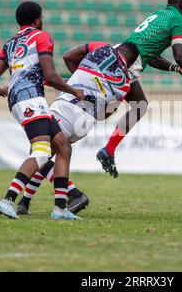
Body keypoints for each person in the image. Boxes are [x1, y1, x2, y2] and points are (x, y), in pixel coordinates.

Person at [96, 0, 182, 178]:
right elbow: (180, 55)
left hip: (122, 56)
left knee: (139, 106)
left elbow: (151, 57)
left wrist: (177, 70)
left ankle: (108, 150)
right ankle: (60, 136)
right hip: (126, 63)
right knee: (97, 112)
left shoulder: (159, 14)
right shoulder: (179, 19)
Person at [0, 1, 85, 220]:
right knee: (41, 152)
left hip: (19, 99)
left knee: (63, 146)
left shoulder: (9, 43)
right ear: (38, 20)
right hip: (29, 99)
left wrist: (2, 90)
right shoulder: (41, 36)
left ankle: (60, 209)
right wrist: (73, 90)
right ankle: (8, 200)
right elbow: (50, 76)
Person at [17, 41, 140, 215]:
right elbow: (104, 115)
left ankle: (75, 194)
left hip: (69, 107)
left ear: (118, 47)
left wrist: (81, 80)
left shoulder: (102, 48)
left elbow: (68, 56)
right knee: (49, 153)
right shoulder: (126, 83)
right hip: (86, 122)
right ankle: (24, 202)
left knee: (39, 149)